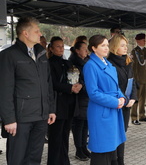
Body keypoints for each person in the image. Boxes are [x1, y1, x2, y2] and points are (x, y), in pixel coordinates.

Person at [0, 17, 56, 165]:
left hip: (41, 117)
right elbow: (4, 89)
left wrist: (51, 109)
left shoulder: (42, 55)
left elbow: (48, 84)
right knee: (17, 159)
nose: (40, 34)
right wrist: (9, 119)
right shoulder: (9, 55)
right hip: (20, 119)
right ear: (25, 33)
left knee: (34, 158)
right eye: (36, 31)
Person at [83, 34, 127, 165]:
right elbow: (93, 93)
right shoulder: (91, 65)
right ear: (94, 48)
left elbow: (116, 86)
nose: (106, 48)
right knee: (102, 150)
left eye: (107, 45)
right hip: (101, 111)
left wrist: (122, 98)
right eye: (102, 46)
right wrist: (115, 102)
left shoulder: (108, 64)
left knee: (112, 149)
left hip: (112, 110)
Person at [47, 36, 82, 165]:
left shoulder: (67, 62)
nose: (61, 49)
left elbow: (77, 76)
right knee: (55, 137)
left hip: (69, 104)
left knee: (65, 136)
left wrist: (79, 85)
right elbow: (53, 83)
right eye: (58, 46)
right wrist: (70, 88)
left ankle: (64, 161)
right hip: (57, 105)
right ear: (51, 48)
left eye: (62, 46)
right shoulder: (49, 63)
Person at [108, 34, 137, 165]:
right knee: (114, 135)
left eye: (126, 45)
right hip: (116, 105)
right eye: (122, 45)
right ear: (114, 47)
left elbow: (133, 81)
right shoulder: (110, 64)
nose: (126, 48)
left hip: (126, 104)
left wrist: (133, 97)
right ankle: (114, 161)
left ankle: (121, 161)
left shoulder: (127, 62)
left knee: (122, 134)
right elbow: (112, 87)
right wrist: (122, 99)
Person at [69, 41, 91, 160]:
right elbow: (75, 82)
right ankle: (79, 149)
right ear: (77, 50)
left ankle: (84, 147)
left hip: (87, 98)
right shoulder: (73, 63)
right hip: (79, 98)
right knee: (78, 125)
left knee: (85, 124)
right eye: (84, 49)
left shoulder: (86, 62)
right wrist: (86, 87)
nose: (86, 51)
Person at [130, 33, 146, 124]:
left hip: (145, 78)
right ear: (138, 41)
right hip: (138, 79)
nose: (145, 41)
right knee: (136, 99)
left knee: (143, 98)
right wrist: (135, 80)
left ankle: (142, 115)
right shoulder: (134, 52)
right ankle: (134, 117)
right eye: (143, 40)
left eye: (144, 40)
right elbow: (133, 68)